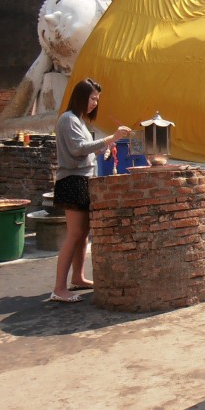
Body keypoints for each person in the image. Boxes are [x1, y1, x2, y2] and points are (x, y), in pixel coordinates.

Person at [49, 78, 131, 303]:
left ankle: (78, 277)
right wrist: (110, 138)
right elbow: (77, 150)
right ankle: (59, 288)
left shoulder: (80, 121)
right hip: (72, 181)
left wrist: (105, 148)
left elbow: (85, 153)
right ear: (81, 96)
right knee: (74, 234)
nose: (95, 103)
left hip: (83, 179)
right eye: (93, 98)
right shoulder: (68, 120)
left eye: (97, 99)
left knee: (83, 234)